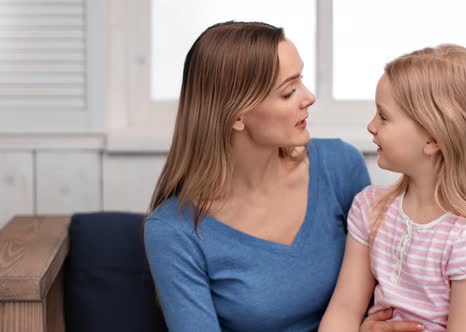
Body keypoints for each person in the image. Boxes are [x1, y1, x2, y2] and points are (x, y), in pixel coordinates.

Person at [143, 21, 424, 332]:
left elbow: (386, 285)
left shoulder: (339, 166)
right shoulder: (173, 231)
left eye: (300, 79)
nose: (309, 97)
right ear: (236, 115)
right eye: (289, 91)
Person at [319, 44, 466, 332]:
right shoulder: (370, 208)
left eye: (384, 116)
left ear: (433, 138)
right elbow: (343, 311)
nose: (371, 126)